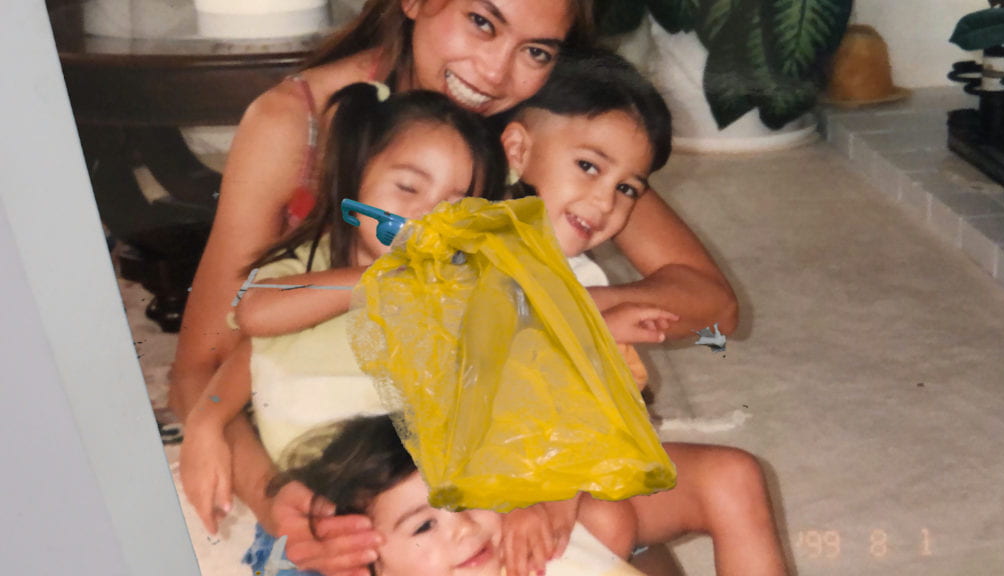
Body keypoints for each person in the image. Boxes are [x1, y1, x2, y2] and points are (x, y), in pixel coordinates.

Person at [171, 0, 736, 572]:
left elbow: (712, 303)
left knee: (616, 538)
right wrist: (274, 498)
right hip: (354, 480)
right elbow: (206, 361)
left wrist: (546, 310)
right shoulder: (303, 122)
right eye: (482, 22)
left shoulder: (538, 116)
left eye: (536, 50)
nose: (494, 73)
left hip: (493, 457)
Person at [489, 49, 788, 576]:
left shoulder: (578, 271)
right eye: (588, 168)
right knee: (609, 524)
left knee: (734, 476)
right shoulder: (475, 251)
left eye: (627, 188)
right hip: (509, 482)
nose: (605, 203)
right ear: (516, 148)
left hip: (587, 462)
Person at [178, 81, 508, 540]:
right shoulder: (308, 269)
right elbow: (254, 323)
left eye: (455, 208)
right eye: (408, 187)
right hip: (318, 498)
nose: (425, 218)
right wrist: (208, 420)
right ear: (354, 181)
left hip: (418, 497)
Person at [248, 414, 646, 576]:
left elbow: (612, 509)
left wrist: (544, 497)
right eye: (424, 525)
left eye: (468, 496)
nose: (466, 527)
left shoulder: (543, 549)